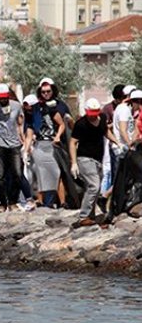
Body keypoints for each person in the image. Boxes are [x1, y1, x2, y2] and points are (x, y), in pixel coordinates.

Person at [69, 98, 121, 228]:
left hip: (98, 159)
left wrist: (116, 142)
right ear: (86, 112)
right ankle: (84, 216)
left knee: (93, 188)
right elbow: (72, 142)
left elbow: (105, 131)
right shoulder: (81, 124)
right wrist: (74, 163)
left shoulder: (102, 118)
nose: (93, 117)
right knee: (94, 185)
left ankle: (90, 216)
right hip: (84, 158)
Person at [23, 80, 66, 208]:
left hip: (51, 144)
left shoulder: (50, 109)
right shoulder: (30, 116)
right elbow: (29, 134)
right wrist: (25, 150)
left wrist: (57, 136)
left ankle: (62, 201)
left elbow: (61, 124)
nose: (29, 110)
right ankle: (42, 201)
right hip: (40, 145)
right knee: (40, 173)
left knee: (56, 173)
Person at [0, 84, 24, 211]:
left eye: (4, 98)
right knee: (0, 176)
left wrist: (24, 140)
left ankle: (13, 201)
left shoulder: (16, 106)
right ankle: (3, 203)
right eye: (0, 98)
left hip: (14, 144)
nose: (3, 100)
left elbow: (20, 123)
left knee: (17, 173)